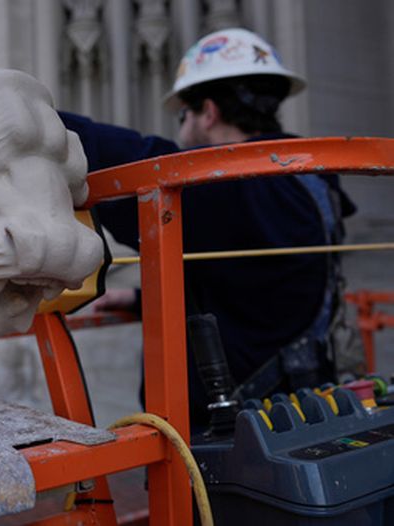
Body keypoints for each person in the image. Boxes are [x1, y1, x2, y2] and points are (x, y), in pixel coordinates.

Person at [60, 28, 356, 429]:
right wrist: (138, 298)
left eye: (184, 112)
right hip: (310, 409)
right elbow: (259, 284)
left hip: (234, 443)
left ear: (210, 112)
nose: (181, 125)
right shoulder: (318, 179)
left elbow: (103, 149)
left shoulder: (221, 190)